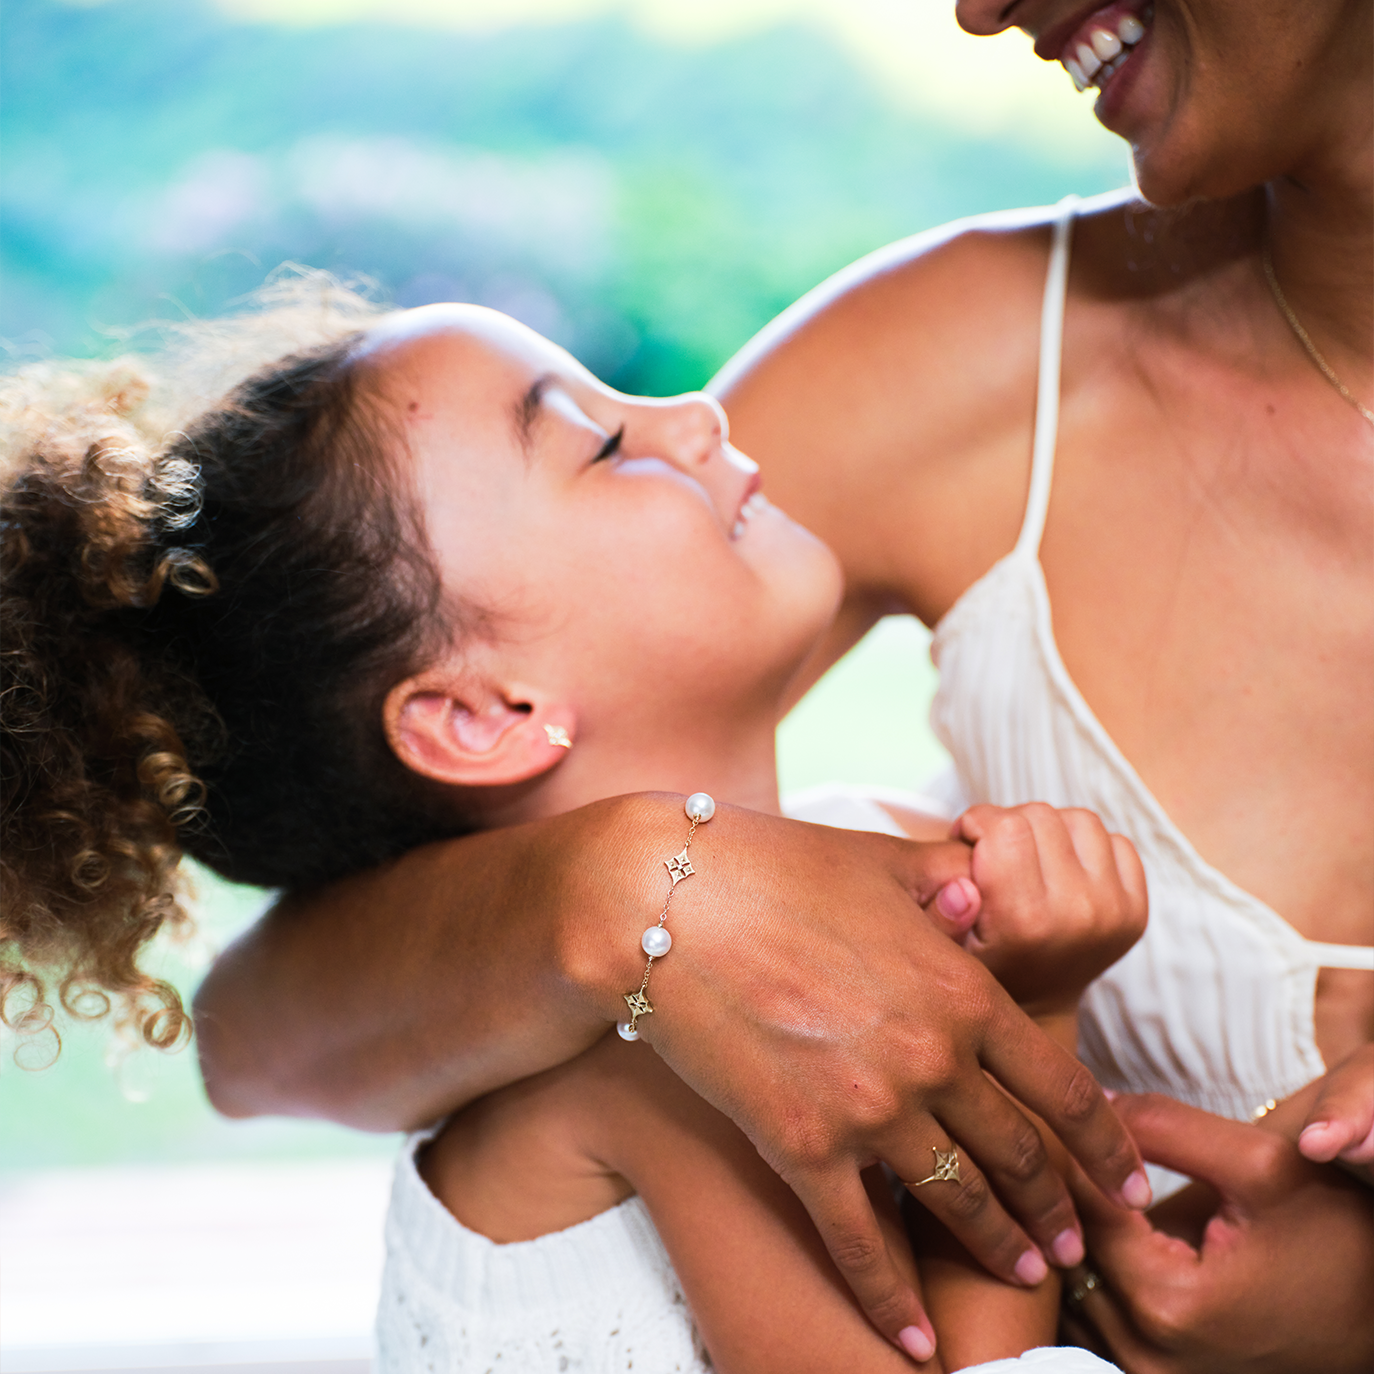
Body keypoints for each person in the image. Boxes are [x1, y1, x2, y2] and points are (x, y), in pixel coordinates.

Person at [181, 0, 1374, 1368]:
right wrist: (628, 891)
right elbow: (253, 1021)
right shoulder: (955, 375)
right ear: (477, 716)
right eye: (600, 437)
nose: (977, 8)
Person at [0, 291, 1148, 1368]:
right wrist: (1032, 1009)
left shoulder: (892, 842)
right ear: (480, 714)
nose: (695, 413)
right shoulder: (650, 1056)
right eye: (597, 443)